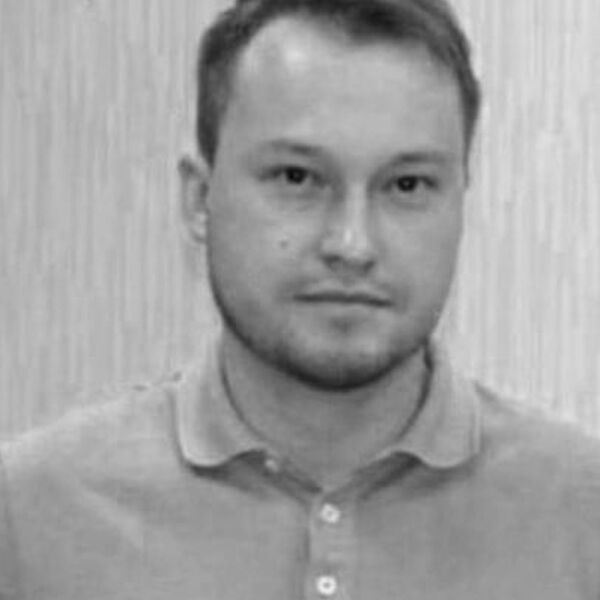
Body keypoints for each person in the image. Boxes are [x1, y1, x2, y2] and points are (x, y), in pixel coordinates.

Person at [1, 0, 600, 598]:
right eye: (297, 177)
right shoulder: (28, 519)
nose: (352, 245)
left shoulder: (581, 516)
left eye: (407, 184)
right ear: (199, 200)